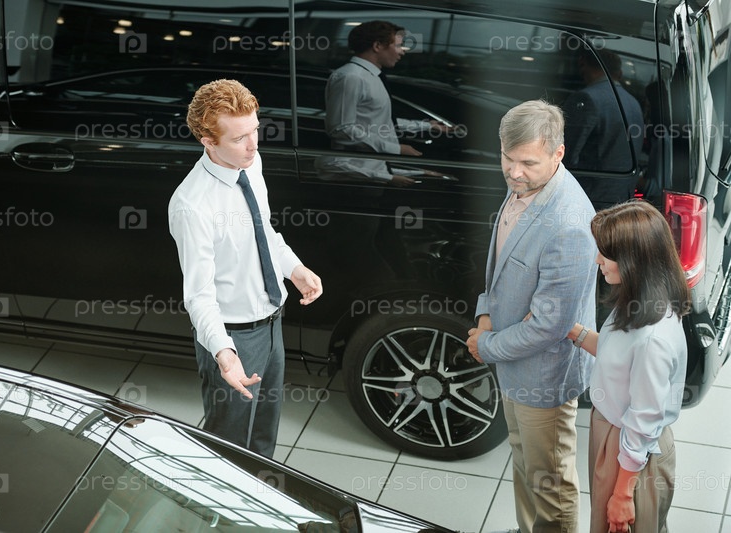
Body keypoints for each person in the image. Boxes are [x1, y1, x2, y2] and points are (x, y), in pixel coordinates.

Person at [168, 79, 323, 458]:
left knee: (264, 435)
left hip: (272, 323)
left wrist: (293, 267)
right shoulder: (192, 206)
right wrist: (225, 354)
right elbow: (199, 296)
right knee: (228, 448)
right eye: (239, 138)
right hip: (233, 338)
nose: (253, 144)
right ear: (208, 141)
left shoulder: (250, 164)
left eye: (255, 130)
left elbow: (262, 231)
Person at [465, 100, 598, 533]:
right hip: (515, 359)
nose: (514, 172)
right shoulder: (526, 183)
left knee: (550, 483)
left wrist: (486, 345)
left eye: (527, 163)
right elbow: (503, 267)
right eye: (508, 158)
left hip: (544, 375)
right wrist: (487, 311)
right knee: (524, 463)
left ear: (558, 153)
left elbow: (550, 326)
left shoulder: (570, 224)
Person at [566, 200, 689, 533]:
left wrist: (622, 494)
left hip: (632, 453)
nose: (597, 260)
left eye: (606, 255)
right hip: (615, 438)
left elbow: (644, 418)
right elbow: (617, 358)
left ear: (634, 261)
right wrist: (573, 332)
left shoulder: (654, 339)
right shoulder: (638, 302)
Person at [322, 20, 449, 186]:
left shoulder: (372, 77)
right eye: (398, 45)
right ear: (377, 46)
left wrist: (427, 126)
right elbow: (341, 129)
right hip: (354, 180)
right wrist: (397, 149)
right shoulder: (351, 77)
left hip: (371, 173)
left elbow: (380, 121)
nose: (402, 52)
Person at [562, 48, 645, 209]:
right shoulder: (633, 103)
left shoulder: (586, 98)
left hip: (587, 199)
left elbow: (566, 154)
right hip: (622, 198)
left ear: (583, 65)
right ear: (618, 72)